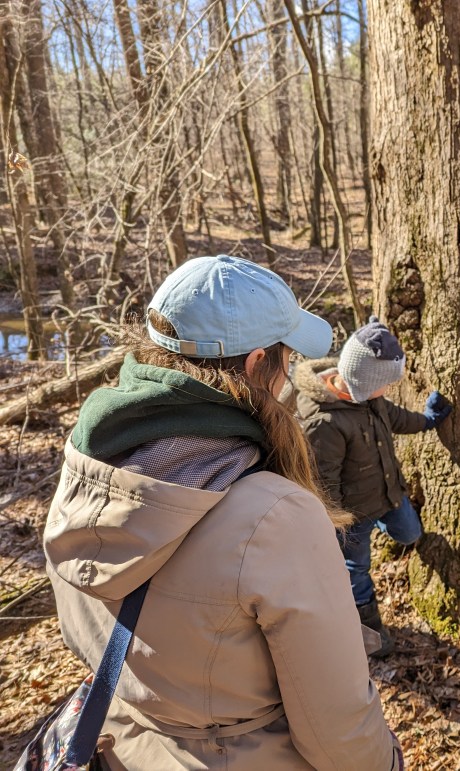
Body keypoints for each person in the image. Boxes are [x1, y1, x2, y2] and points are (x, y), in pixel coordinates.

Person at [43, 255, 402, 769]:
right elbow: (338, 728)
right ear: (258, 364)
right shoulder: (276, 515)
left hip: (121, 745)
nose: (291, 374)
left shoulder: (88, 463)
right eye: (287, 357)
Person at [294, 316, 452, 656]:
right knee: (357, 568)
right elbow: (324, 480)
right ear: (362, 381)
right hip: (352, 515)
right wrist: (335, 527)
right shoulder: (324, 422)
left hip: (388, 495)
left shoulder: (367, 396)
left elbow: (395, 417)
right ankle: (369, 628)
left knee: (410, 534)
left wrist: (427, 421)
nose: (388, 391)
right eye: (386, 385)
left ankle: (389, 531)